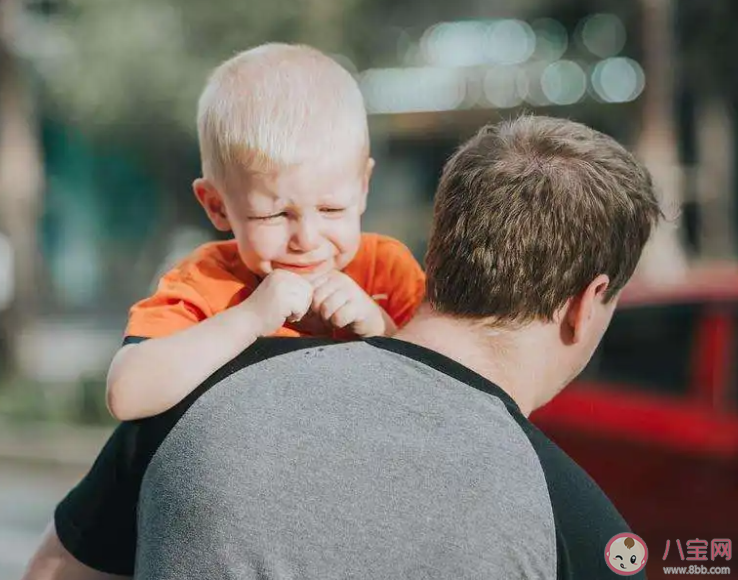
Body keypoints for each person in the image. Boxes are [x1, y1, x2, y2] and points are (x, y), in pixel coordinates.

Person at [24, 115, 660, 579]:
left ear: (440, 249)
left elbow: (53, 572)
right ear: (585, 302)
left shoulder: (195, 396)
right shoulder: (576, 524)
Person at [105, 43, 426, 421]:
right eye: (273, 215)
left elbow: (450, 396)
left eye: (331, 209)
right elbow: (128, 395)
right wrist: (250, 318)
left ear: (363, 187)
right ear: (216, 206)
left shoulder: (387, 271)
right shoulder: (205, 282)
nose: (306, 240)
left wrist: (380, 328)